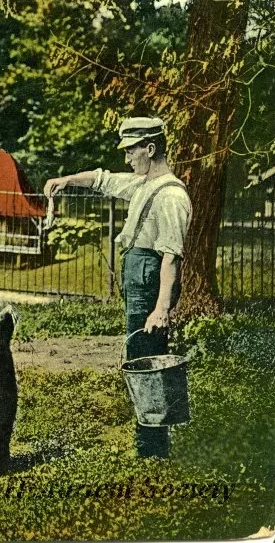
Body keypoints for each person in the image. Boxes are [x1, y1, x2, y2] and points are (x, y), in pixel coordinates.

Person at [43, 117, 192, 458]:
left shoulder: (171, 196)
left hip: (150, 278)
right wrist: (65, 181)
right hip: (138, 275)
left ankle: (151, 452)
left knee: (146, 362)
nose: (126, 159)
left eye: (131, 151)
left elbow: (171, 257)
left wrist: (161, 308)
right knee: (141, 357)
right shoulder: (143, 185)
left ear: (150, 149)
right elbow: (102, 180)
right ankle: (151, 446)